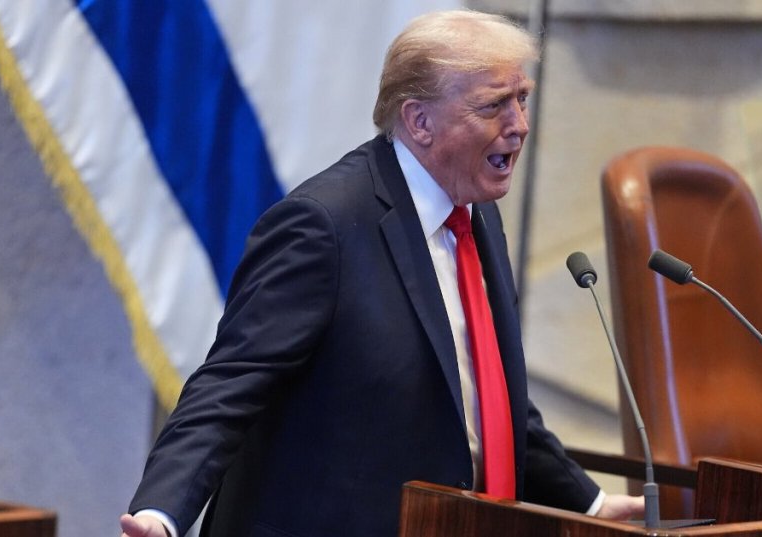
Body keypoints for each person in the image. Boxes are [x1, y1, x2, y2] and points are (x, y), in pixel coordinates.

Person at [120, 9, 643, 537]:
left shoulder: (475, 212)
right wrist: (160, 512)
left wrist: (591, 502)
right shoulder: (324, 225)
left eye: (522, 98)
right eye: (493, 106)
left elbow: (482, 386)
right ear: (419, 121)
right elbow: (230, 383)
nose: (520, 125)